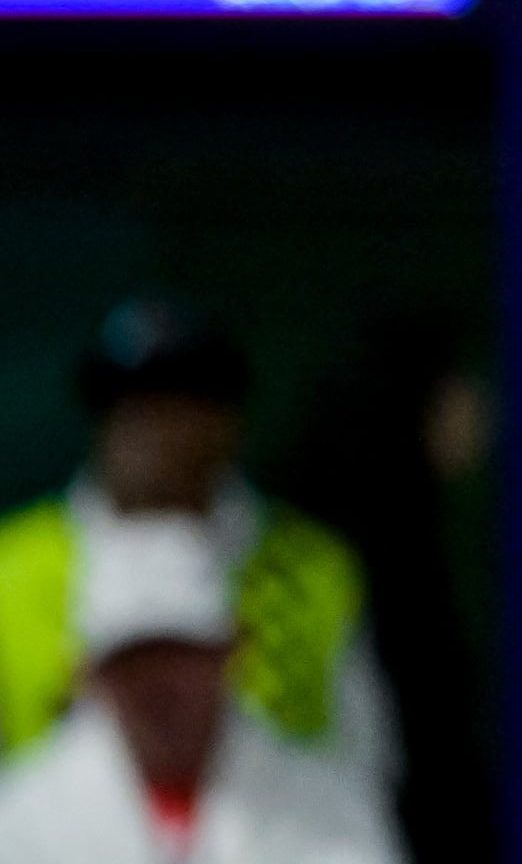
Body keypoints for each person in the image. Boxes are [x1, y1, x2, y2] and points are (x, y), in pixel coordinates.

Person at [0, 303, 393, 786]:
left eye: (180, 400)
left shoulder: (314, 567)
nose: (149, 426)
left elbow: (364, 764)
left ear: (228, 420)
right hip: (56, 855)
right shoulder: (12, 565)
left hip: (273, 848)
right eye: (126, 402)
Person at [0, 512, 420, 864]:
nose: (160, 685)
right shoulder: (20, 810)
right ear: (88, 675)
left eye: (183, 655)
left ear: (234, 652)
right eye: (134, 662)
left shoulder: (328, 796)